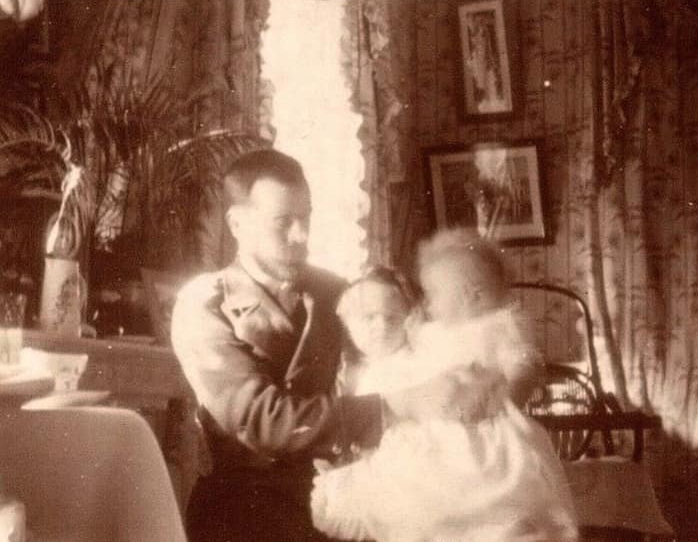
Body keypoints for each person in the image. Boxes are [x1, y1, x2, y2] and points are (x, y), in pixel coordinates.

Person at [170, 150, 498, 542]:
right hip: (247, 511)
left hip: (342, 498)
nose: (301, 236)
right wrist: (395, 406)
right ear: (237, 223)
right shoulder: (205, 304)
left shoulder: (336, 292)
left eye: (306, 219)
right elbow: (261, 420)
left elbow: (393, 364)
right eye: (283, 222)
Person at [311, 227, 577, 542]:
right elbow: (413, 364)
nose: (427, 304)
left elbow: (524, 365)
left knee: (490, 496)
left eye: (435, 293)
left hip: (487, 434)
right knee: (415, 489)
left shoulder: (500, 326)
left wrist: (503, 394)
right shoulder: (435, 332)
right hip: (441, 430)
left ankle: (505, 528)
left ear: (471, 295)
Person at [333, 266, 415, 397]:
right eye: (369, 317)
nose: (382, 326)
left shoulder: (407, 368)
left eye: (392, 318)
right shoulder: (361, 369)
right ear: (348, 324)